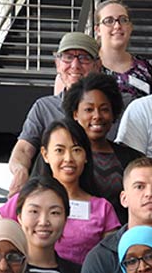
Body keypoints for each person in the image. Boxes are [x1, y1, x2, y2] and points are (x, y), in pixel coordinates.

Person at [0, 119, 121, 265]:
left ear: (87, 156)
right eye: (59, 150)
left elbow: (112, 263)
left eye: (76, 150)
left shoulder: (102, 208)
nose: (68, 159)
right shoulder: (24, 200)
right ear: (45, 154)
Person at [8, 32, 102, 196]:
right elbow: (23, 149)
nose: (75, 65)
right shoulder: (44, 107)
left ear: (97, 65)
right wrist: (20, 169)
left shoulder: (108, 108)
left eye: (84, 58)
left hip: (98, 193)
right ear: (57, 63)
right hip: (50, 195)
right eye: (67, 57)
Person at [62, 72, 142, 223]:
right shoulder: (62, 158)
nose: (97, 116)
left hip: (120, 239)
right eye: (89, 109)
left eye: (104, 109)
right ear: (75, 114)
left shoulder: (132, 159)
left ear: (113, 114)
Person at [14, 176, 82, 273]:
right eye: (34, 211)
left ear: (65, 219)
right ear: (19, 218)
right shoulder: (1, 270)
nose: (43, 222)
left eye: (54, 213)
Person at [95, 0, 152, 98]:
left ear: (130, 27)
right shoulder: (87, 66)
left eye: (123, 20)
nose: (117, 26)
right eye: (109, 21)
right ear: (98, 30)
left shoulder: (148, 69)